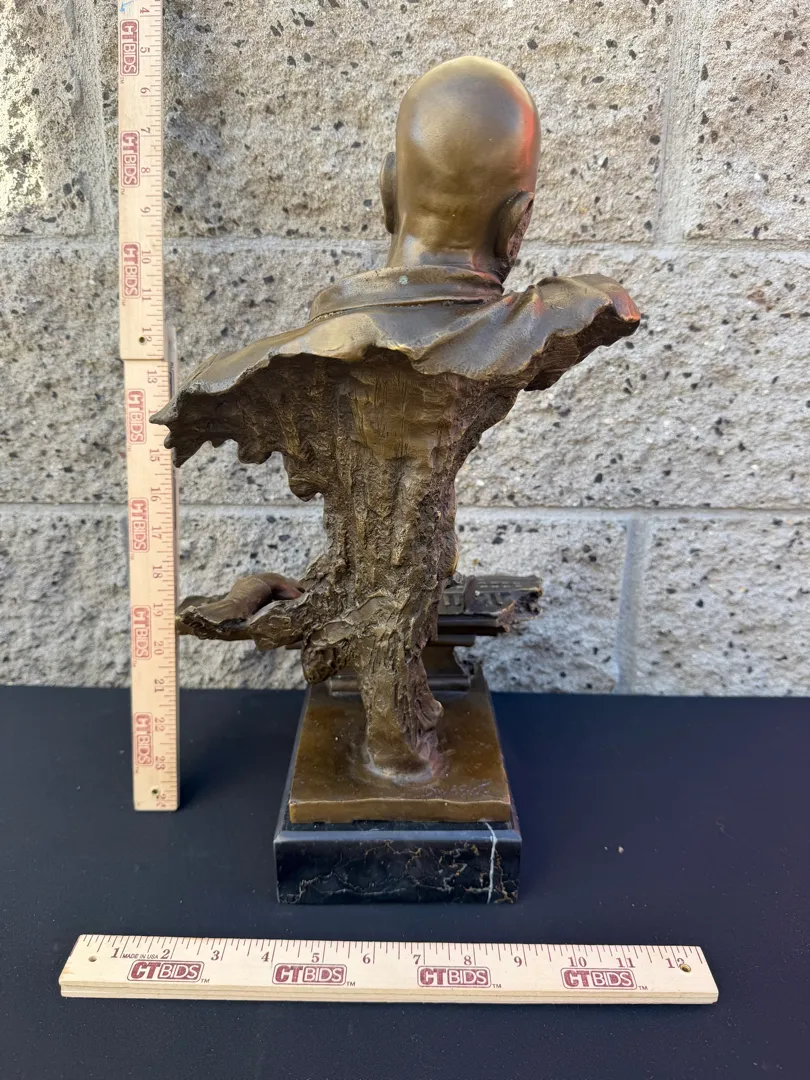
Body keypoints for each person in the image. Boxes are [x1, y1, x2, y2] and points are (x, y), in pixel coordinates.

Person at [152, 57, 639, 779]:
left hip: (395, 574)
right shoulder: (555, 317)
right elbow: (609, 304)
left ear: (387, 190)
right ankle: (397, 740)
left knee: (397, 574)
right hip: (392, 598)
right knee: (393, 587)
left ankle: (394, 721)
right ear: (519, 222)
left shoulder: (266, 366)